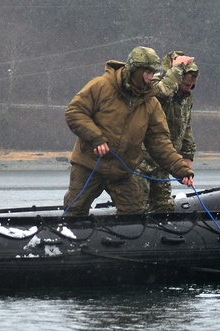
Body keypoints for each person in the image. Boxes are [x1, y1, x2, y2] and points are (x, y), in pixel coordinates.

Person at [62, 46, 195, 216]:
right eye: (147, 72)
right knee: (75, 210)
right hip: (89, 165)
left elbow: (159, 141)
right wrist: (96, 138)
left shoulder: (150, 103)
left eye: (153, 72)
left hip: (122, 170)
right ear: (135, 70)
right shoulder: (101, 86)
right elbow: (75, 112)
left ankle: (119, 241)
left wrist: (180, 169)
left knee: (134, 213)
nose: (150, 77)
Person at [137, 52, 199, 212]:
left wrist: (187, 156)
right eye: (185, 84)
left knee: (164, 207)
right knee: (137, 208)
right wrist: (177, 68)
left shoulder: (186, 98)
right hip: (142, 162)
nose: (188, 89)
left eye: (191, 85)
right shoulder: (155, 85)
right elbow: (160, 92)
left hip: (164, 162)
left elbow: (186, 126)